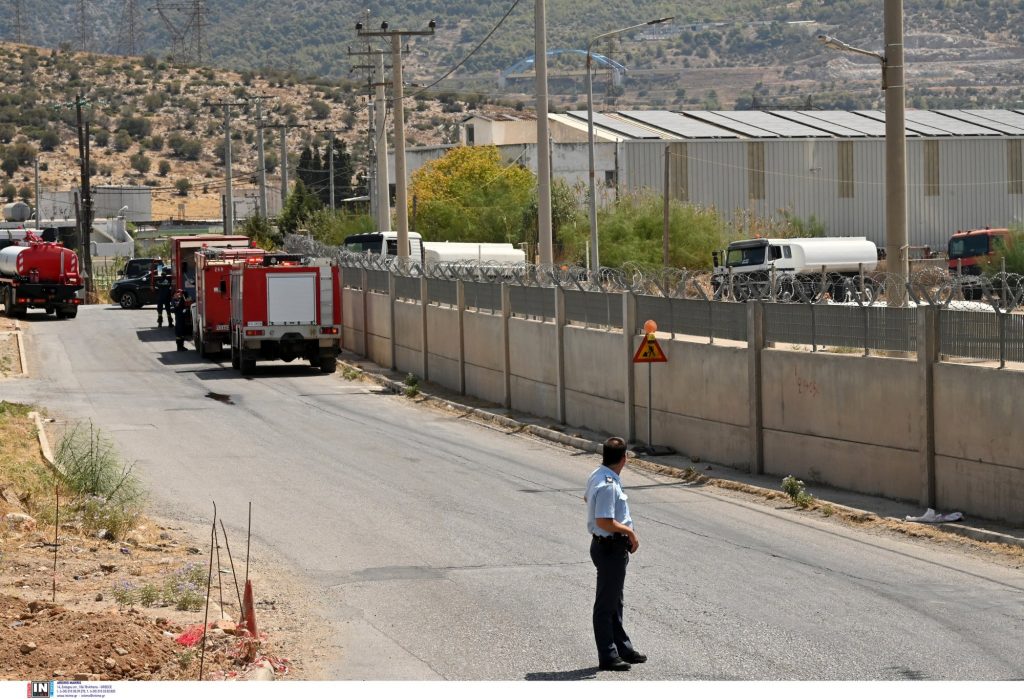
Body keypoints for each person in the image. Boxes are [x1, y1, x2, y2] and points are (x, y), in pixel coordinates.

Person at [584, 437, 645, 672]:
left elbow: (588, 499)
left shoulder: (597, 474)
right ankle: (608, 656)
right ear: (624, 458)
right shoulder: (609, 483)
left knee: (615, 601)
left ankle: (623, 648)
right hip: (610, 548)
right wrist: (629, 532)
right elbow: (604, 520)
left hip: (604, 546)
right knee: (605, 605)